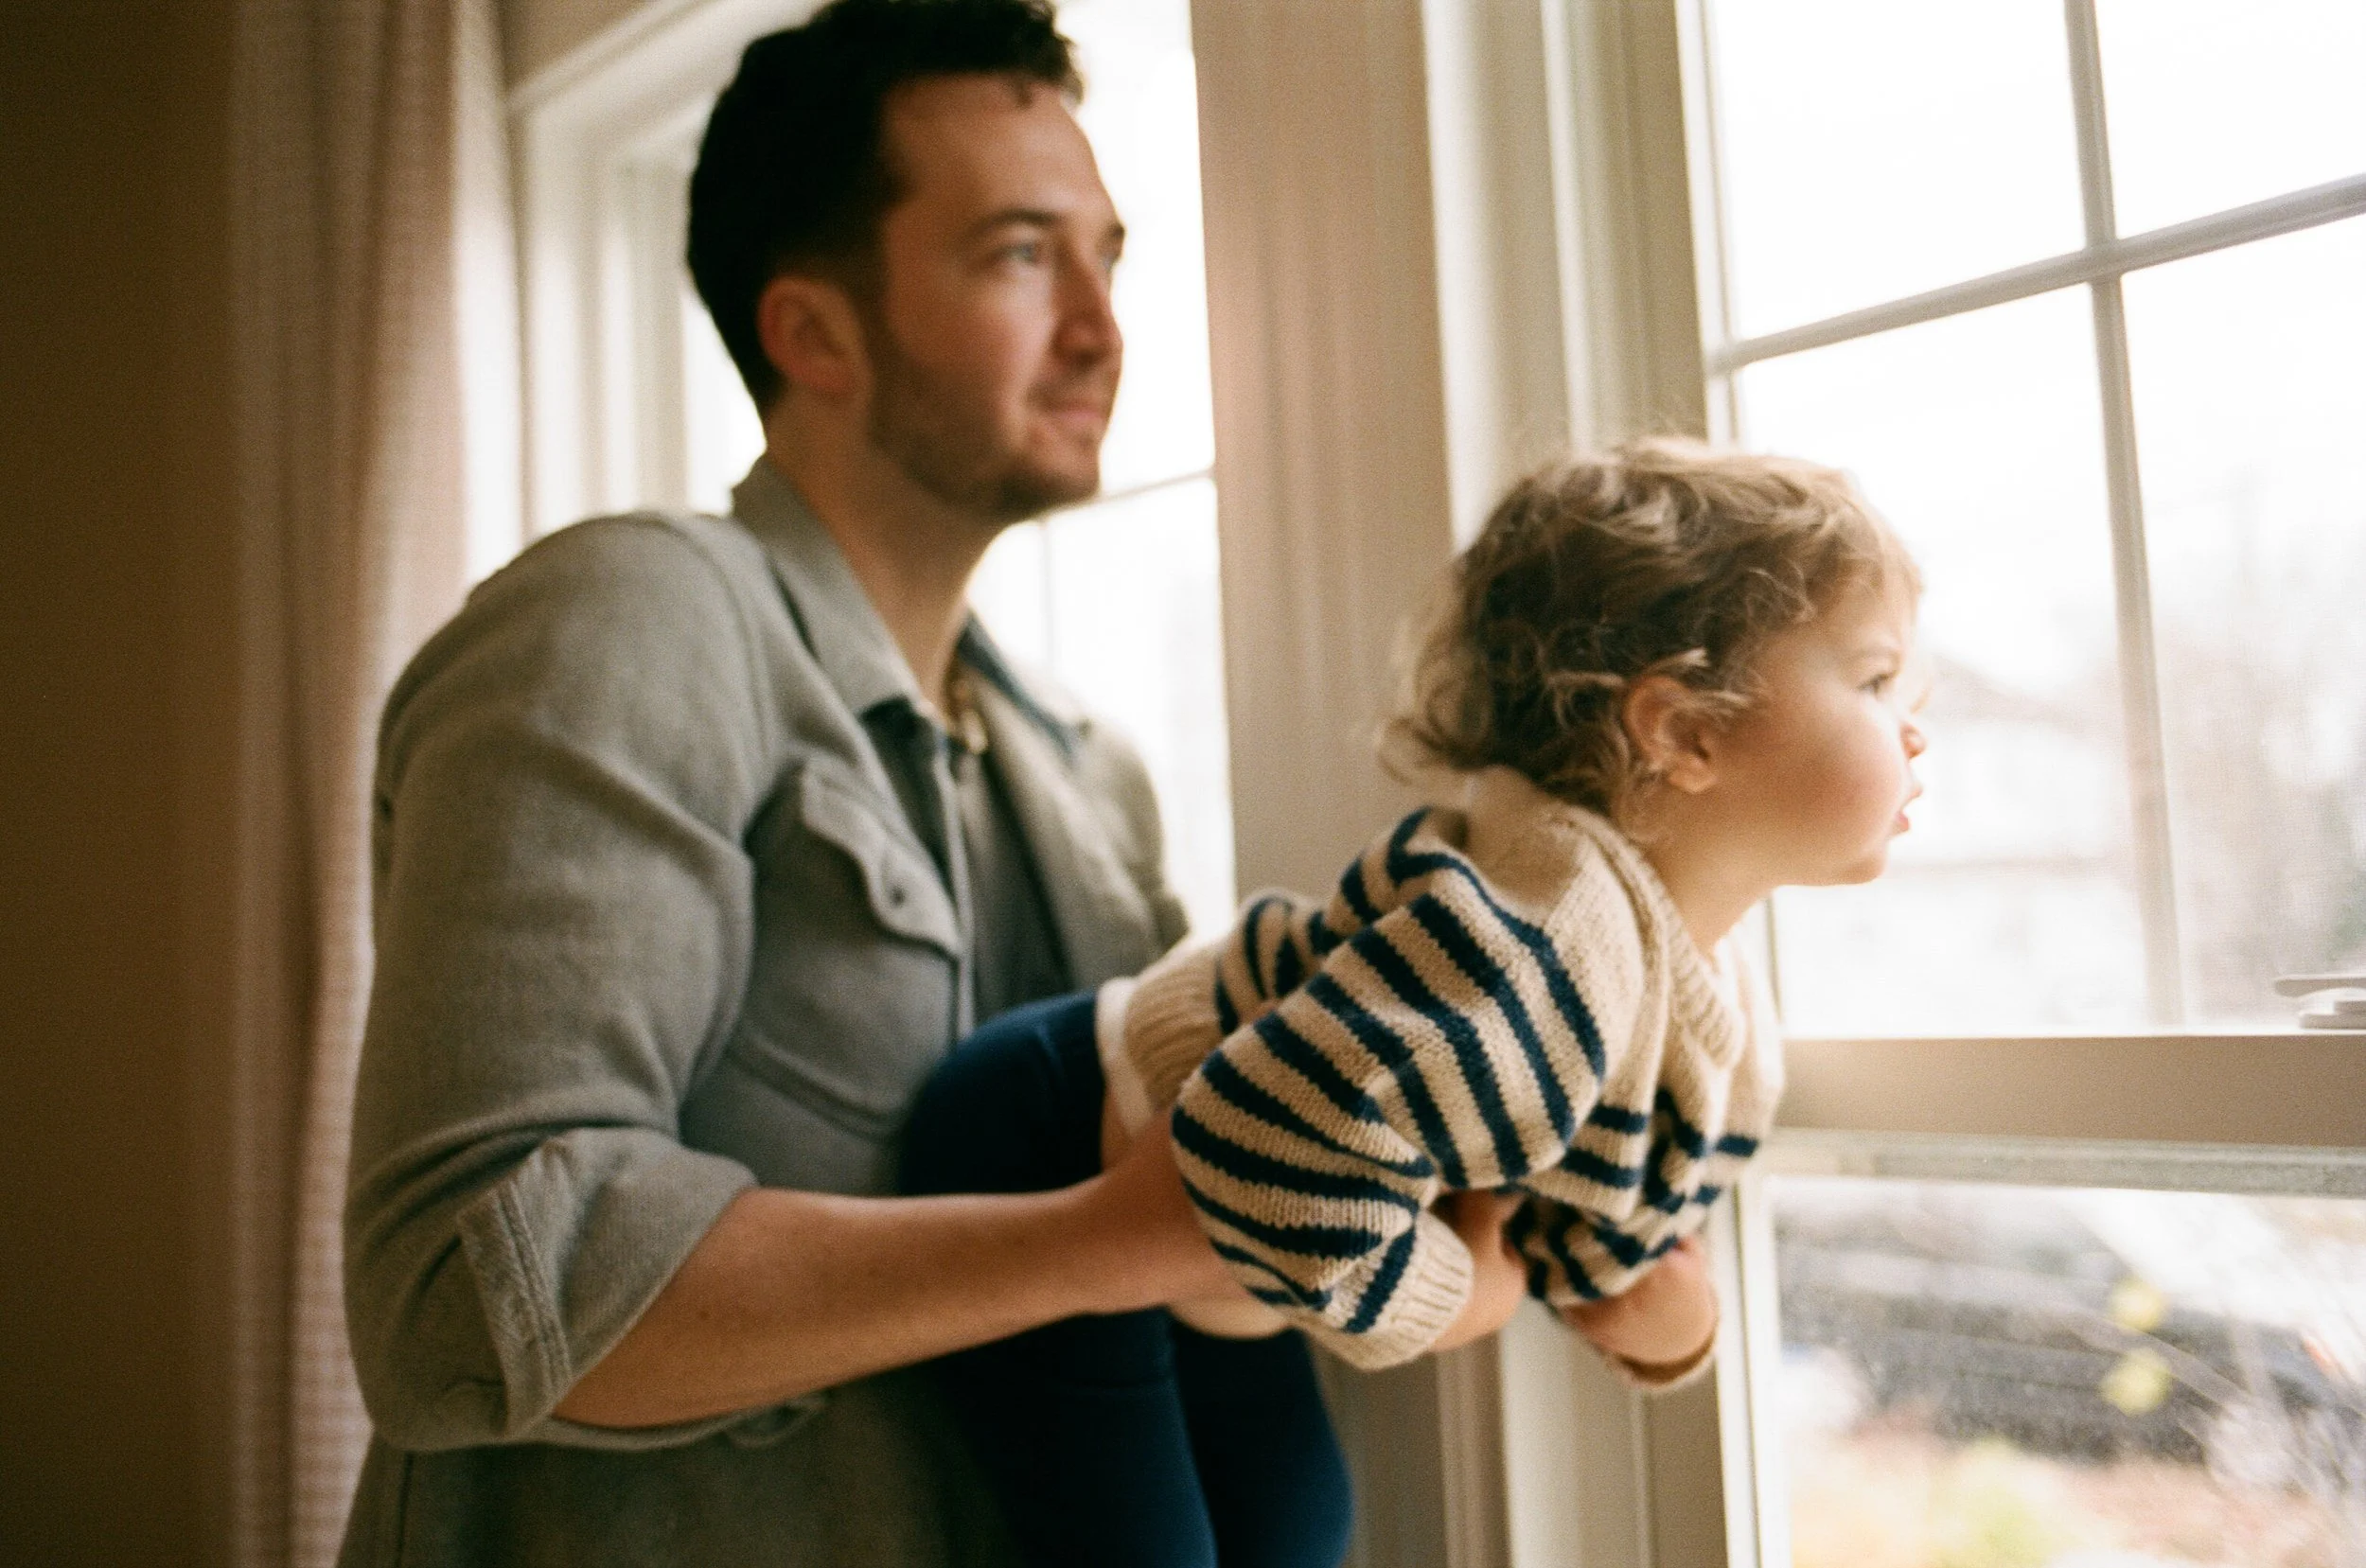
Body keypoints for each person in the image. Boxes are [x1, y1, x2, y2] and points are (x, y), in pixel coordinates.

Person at [338, 3, 1538, 1564]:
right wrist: (1097, 1246)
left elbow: (1206, 1210)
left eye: (1109, 255)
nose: (1104, 326)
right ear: (813, 331)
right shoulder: (627, 623)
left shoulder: (1088, 774)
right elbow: (464, 1282)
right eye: (1022, 255)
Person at [901, 438, 1928, 1567]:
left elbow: (1584, 1233)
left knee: (1300, 1531)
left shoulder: (1707, 997)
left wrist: (1669, 1324)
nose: (1914, 722)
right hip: (1054, 1131)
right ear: (1682, 732)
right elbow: (1270, 1162)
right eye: (1876, 680)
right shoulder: (1541, 945)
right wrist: (1462, 1296)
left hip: (1232, 1245)